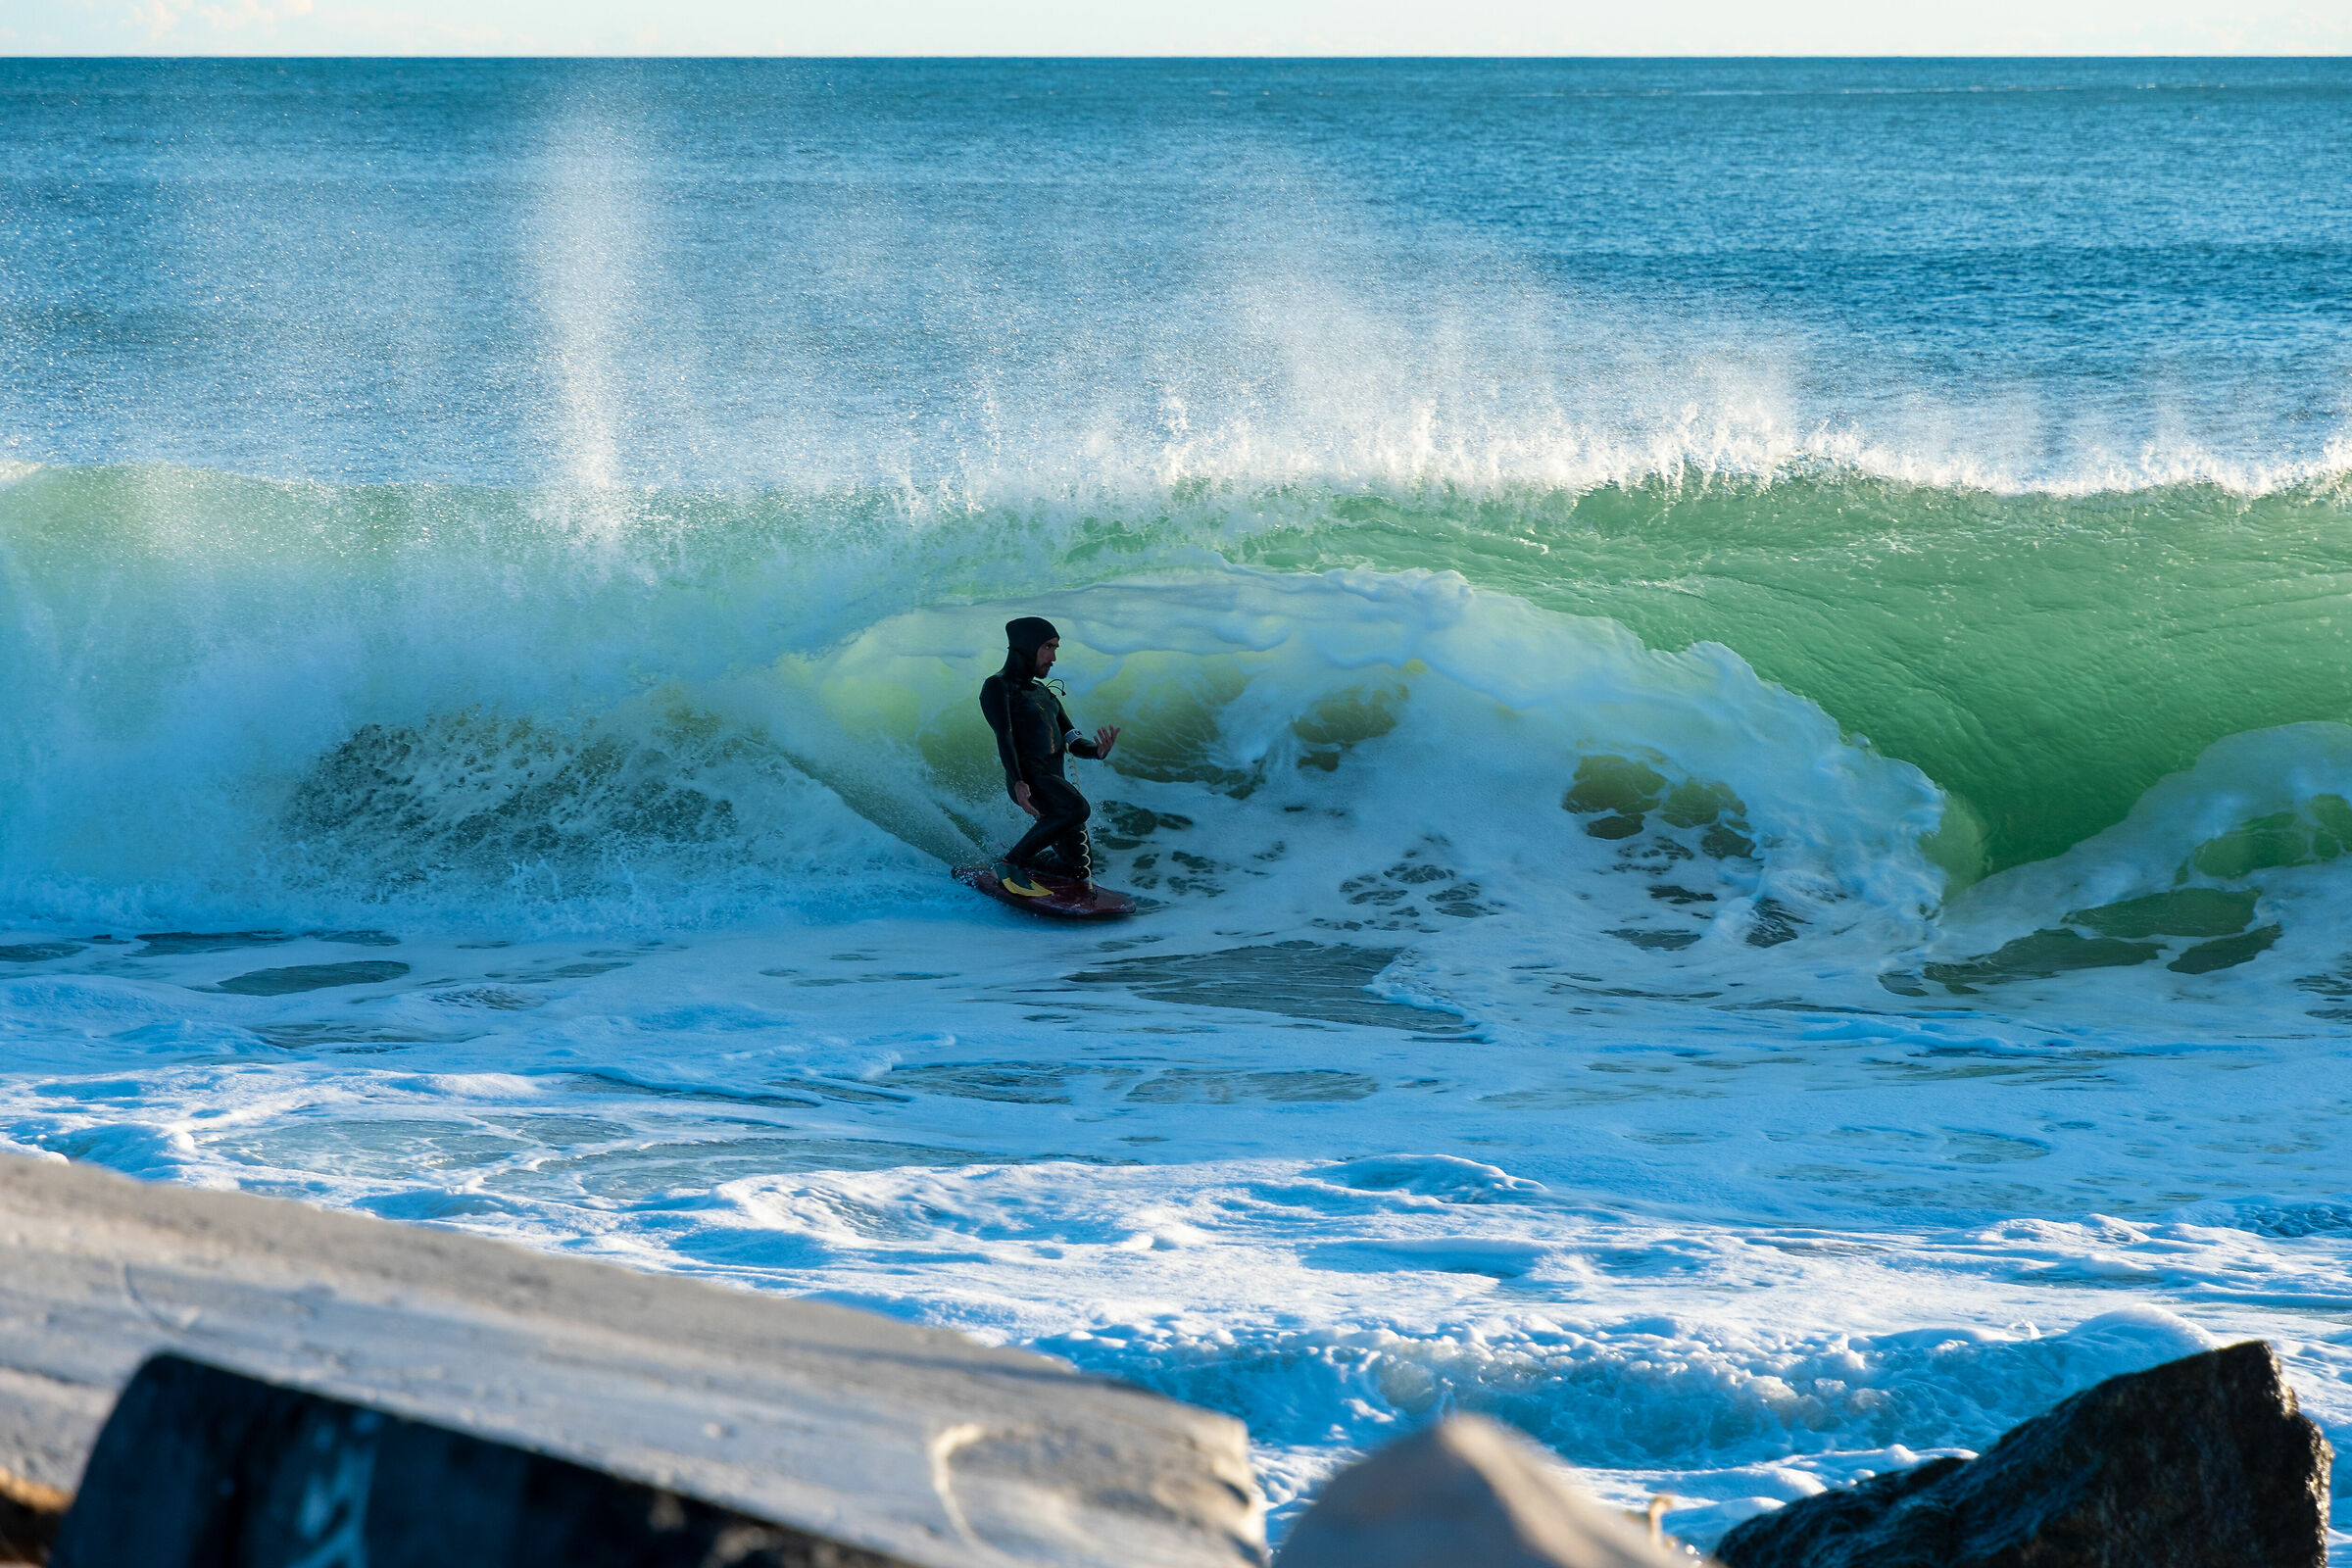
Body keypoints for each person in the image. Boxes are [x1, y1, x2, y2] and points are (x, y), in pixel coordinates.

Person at [979, 616, 1120, 891]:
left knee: (1078, 868)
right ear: (1027, 646)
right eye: (1048, 647)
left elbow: (1071, 738)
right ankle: (1010, 863)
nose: (1054, 657)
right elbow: (1004, 735)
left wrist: (1097, 750)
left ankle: (1022, 860)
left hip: (1054, 781)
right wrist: (1018, 781)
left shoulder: (1045, 693)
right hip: (1031, 777)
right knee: (1077, 808)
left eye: (1056, 648)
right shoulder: (998, 686)